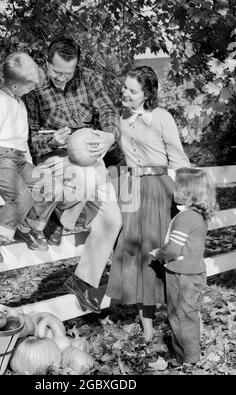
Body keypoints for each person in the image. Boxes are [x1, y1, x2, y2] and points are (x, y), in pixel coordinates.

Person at [23, 36, 122, 313]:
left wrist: (108, 135)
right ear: (46, 62)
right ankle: (54, 215)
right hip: (55, 158)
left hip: (90, 157)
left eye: (68, 73)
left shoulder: (89, 79)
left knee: (113, 220)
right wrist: (52, 140)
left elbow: (108, 111)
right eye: (56, 72)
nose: (62, 79)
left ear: (77, 65)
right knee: (86, 180)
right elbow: (28, 139)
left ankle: (82, 281)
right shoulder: (33, 88)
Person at [106, 65, 190, 341]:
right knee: (137, 256)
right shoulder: (119, 118)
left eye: (132, 90)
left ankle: (180, 322)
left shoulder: (161, 117)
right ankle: (148, 329)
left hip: (160, 189)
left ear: (147, 94)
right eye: (124, 88)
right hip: (131, 189)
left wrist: (184, 198)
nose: (125, 93)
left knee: (160, 253)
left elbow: (177, 157)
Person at [0, 52, 63, 263]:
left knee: (52, 187)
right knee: (22, 197)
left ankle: (27, 227)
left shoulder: (18, 101)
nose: (32, 90)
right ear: (15, 86)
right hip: (1, 160)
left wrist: (28, 161)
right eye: (29, 86)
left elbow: (22, 139)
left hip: (20, 159)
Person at [149, 167, 217, 364]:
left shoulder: (184, 218)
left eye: (177, 188)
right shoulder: (199, 215)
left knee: (179, 315)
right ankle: (189, 354)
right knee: (189, 313)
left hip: (181, 274)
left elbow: (173, 249)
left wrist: (159, 254)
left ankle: (187, 358)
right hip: (195, 272)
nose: (173, 191)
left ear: (188, 193)